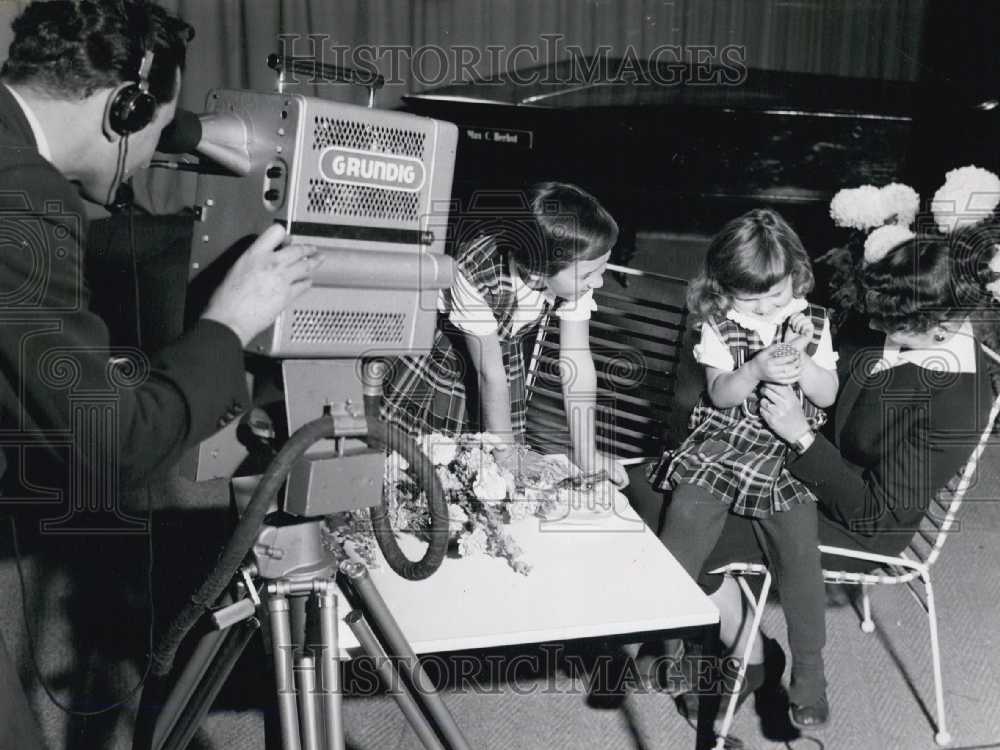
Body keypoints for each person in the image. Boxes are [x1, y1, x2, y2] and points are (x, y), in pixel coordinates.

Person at [0, 2, 320, 747]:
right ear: (125, 105)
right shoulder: (23, 199)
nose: (148, 162)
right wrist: (229, 324)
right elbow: (112, 447)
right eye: (151, 132)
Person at [685, 227, 997, 733]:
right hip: (805, 470)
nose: (876, 326)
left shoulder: (959, 399)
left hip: (858, 520)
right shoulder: (900, 326)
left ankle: (757, 657)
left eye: (891, 322)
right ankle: (747, 646)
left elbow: (876, 511)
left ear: (943, 323)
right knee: (654, 491)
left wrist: (799, 438)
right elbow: (831, 386)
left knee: (682, 533)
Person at [647, 208, 838, 726]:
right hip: (724, 445)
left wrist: (806, 365)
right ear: (723, 289)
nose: (766, 309)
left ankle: (810, 673)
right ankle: (671, 643)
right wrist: (753, 368)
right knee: (683, 524)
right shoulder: (719, 324)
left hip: (784, 450)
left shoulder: (812, 321)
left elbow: (829, 393)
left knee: (800, 557)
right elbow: (720, 393)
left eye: (775, 297)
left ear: (793, 279)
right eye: (750, 299)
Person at [381, 181, 626, 483]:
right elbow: (489, 373)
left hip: (501, 358)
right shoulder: (473, 266)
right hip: (442, 361)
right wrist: (507, 455)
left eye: (602, 269)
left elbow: (575, 363)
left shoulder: (573, 271)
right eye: (590, 274)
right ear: (538, 272)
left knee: (491, 483)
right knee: (425, 471)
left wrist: (588, 455)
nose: (599, 283)